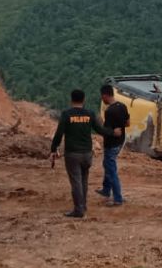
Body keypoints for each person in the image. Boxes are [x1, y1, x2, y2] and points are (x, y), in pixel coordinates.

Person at [50, 89, 120, 218]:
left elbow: (59, 134)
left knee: (76, 181)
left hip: (72, 154)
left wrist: (53, 149)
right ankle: (83, 205)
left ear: (71, 100)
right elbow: (100, 129)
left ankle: (78, 210)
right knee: (83, 180)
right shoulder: (90, 114)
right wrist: (113, 132)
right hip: (87, 154)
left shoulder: (66, 114)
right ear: (84, 100)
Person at [95, 84, 130, 205]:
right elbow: (128, 123)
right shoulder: (122, 106)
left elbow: (106, 131)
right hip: (120, 142)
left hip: (111, 144)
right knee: (107, 164)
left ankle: (118, 198)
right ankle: (106, 189)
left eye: (102, 96)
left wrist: (102, 126)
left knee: (111, 169)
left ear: (105, 95)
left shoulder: (109, 111)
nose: (102, 99)